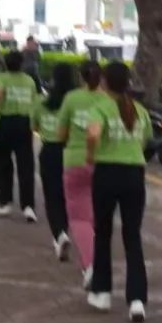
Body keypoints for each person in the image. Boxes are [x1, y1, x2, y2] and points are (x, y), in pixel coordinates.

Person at [85, 61, 151, 320]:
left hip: (107, 172)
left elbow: (92, 134)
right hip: (134, 174)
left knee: (102, 232)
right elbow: (145, 141)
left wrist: (91, 155)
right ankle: (137, 300)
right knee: (132, 235)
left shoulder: (100, 108)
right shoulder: (139, 110)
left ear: (104, 82)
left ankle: (102, 293)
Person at [56, 61, 104, 284]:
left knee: (79, 219)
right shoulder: (109, 101)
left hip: (75, 161)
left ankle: (90, 264)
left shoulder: (71, 98)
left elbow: (60, 133)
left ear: (81, 77)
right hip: (105, 161)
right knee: (98, 215)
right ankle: (98, 259)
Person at [0, 48, 38, 221]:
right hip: (24, 123)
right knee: (26, 165)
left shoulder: (1, 78)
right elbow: (34, 101)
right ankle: (28, 206)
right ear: (21, 64)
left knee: (4, 163)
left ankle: (6, 202)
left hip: (5, 122)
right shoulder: (29, 80)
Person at [35, 64, 76, 258]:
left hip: (50, 151)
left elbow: (34, 126)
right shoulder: (77, 103)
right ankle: (67, 230)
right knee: (70, 195)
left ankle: (59, 233)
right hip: (72, 151)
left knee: (52, 196)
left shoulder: (42, 103)